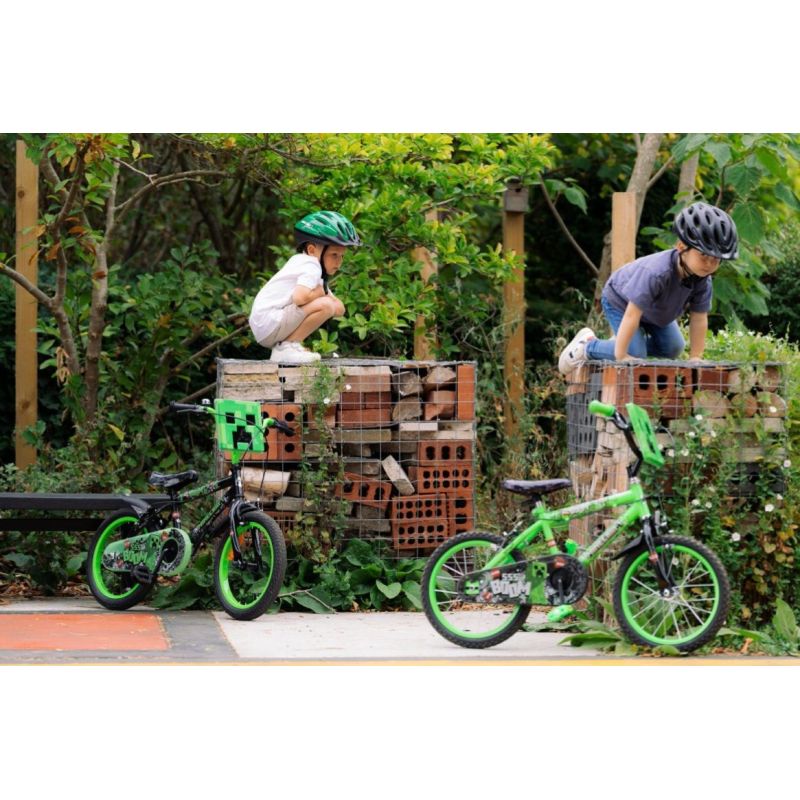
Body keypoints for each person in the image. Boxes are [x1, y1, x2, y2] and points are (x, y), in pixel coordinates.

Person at [558, 201, 739, 375]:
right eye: (703, 256)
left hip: (654, 311)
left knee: (673, 348)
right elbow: (632, 314)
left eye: (716, 259)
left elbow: (699, 318)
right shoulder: (657, 272)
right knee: (634, 354)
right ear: (681, 247)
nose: (709, 264)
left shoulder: (702, 280)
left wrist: (696, 357)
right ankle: (587, 346)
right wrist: (621, 355)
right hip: (622, 302)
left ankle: (623, 342)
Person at [249, 210, 361, 364]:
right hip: (269, 321)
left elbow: (340, 309)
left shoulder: (307, 267)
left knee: (327, 305)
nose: (339, 262)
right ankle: (286, 348)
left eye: (342, 256)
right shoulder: (310, 265)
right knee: (326, 305)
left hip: (265, 325)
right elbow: (300, 298)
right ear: (312, 250)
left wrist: (322, 295)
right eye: (334, 255)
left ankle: (287, 347)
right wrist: (322, 295)